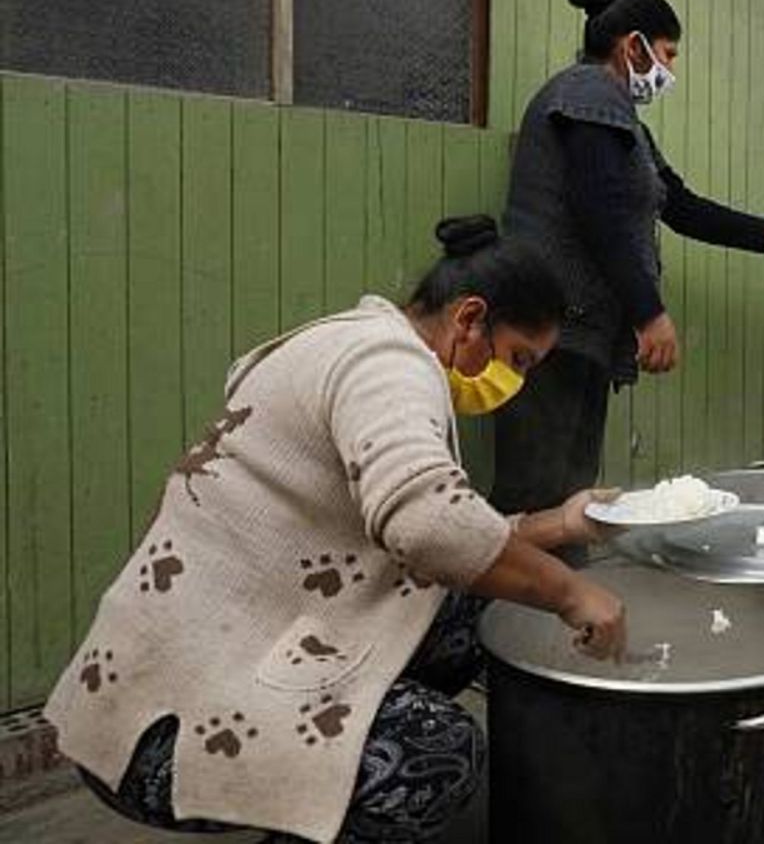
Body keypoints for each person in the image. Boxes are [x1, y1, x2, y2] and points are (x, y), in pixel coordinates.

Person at [44, 216, 627, 843]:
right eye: (517, 358)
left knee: (464, 614)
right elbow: (430, 525)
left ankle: (311, 802)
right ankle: (300, 781)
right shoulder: (388, 365)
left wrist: (563, 522)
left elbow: (450, 529)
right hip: (159, 730)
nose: (515, 382)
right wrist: (570, 591)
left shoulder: (356, 343)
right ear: (468, 319)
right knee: (438, 753)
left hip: (171, 673)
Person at [494, 0, 764, 530]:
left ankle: (558, 606)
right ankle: (496, 614)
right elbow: (602, 216)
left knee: (568, 488)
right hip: (546, 329)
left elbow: (676, 203)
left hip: (575, 330)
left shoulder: (619, 119)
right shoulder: (587, 97)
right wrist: (649, 314)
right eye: (668, 54)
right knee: (537, 489)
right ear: (632, 46)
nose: (670, 69)